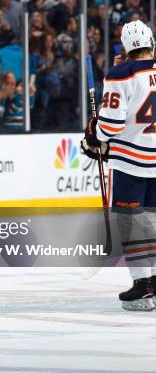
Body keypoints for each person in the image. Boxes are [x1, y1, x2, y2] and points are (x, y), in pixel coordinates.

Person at [81, 20, 156, 311]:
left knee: (130, 222)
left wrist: (93, 133)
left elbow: (109, 126)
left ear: (125, 47)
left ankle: (142, 284)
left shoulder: (119, 74)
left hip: (131, 162)